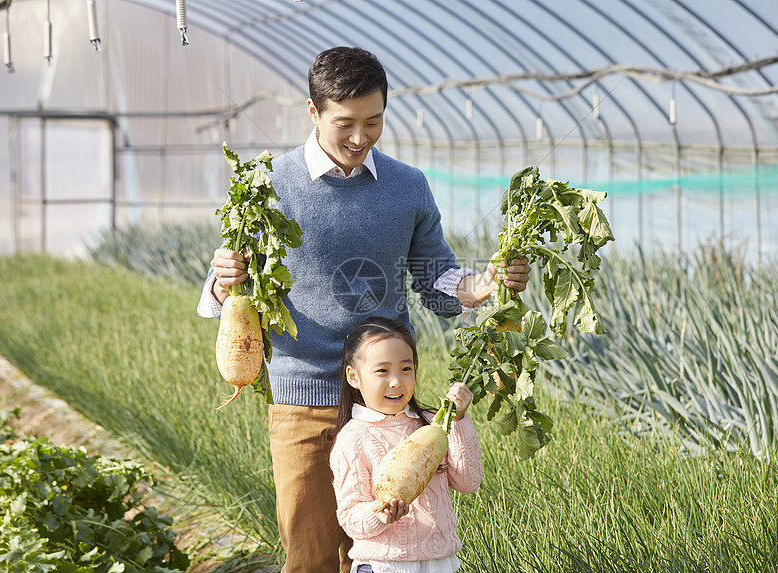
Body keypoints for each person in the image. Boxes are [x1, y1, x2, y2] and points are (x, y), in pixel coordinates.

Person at [197, 46, 530, 573]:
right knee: (310, 557)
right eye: (344, 123)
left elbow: (437, 277)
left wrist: (485, 285)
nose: (359, 138)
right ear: (313, 112)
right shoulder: (269, 187)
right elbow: (219, 299)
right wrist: (224, 280)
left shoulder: (407, 186)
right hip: (301, 400)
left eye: (373, 122)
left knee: (385, 552)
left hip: (387, 405)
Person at [330, 316, 481, 573]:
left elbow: (468, 482)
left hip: (439, 563)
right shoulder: (352, 439)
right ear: (353, 377)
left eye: (406, 369)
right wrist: (379, 516)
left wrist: (459, 420)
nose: (396, 381)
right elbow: (349, 517)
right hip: (383, 566)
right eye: (382, 371)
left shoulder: (433, 425)